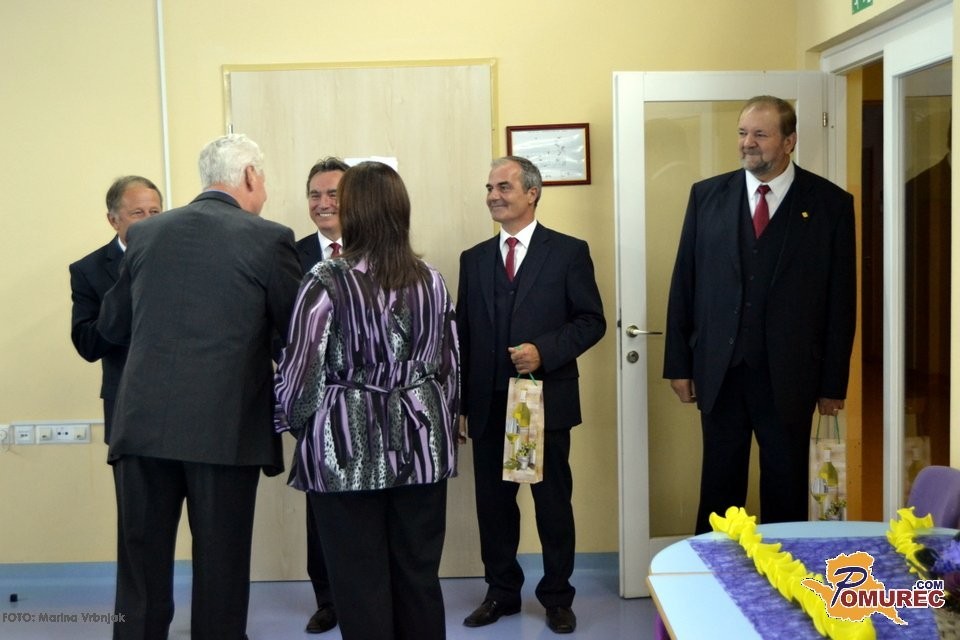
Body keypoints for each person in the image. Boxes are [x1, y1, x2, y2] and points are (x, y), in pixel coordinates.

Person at [97, 133, 302, 640]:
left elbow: (111, 325)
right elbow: (297, 331)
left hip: (142, 427)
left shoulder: (146, 235)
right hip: (224, 432)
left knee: (140, 570)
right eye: (263, 179)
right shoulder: (270, 238)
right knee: (221, 569)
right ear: (249, 176)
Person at [274, 161, 459, 640]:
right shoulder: (431, 279)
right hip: (423, 441)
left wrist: (295, 422)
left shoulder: (326, 279)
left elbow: (301, 371)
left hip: (345, 447)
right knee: (419, 575)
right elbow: (449, 365)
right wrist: (441, 422)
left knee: (359, 582)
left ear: (354, 210)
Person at [663, 95, 857, 535]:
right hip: (721, 372)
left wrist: (833, 384)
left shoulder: (829, 204)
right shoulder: (706, 196)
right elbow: (684, 283)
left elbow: (841, 301)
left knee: (786, 488)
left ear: (789, 141)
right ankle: (713, 571)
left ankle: (781, 572)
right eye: (742, 133)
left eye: (760, 134)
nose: (747, 143)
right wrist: (679, 364)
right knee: (718, 487)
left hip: (790, 376)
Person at [456, 156, 605, 634]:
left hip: (544, 402)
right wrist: (461, 404)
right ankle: (501, 593)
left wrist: (545, 351)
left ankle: (557, 597)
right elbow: (463, 337)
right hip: (488, 405)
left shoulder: (568, 252)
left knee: (552, 505)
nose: (493, 196)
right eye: (489, 188)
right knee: (494, 508)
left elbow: (591, 321)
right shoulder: (474, 259)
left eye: (503, 187)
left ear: (532, 193)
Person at [294, 156, 350, 634]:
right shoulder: (288, 255)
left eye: (333, 194)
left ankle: (368, 594)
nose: (323, 203)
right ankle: (328, 599)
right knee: (321, 509)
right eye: (315, 194)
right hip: (313, 405)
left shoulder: (379, 252)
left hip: (369, 403)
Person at [69, 176, 162, 443]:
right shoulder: (89, 270)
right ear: (113, 220)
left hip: (183, 404)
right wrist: (127, 285)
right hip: (127, 407)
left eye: (155, 212)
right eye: (138, 213)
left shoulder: (183, 262)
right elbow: (88, 345)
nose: (149, 221)